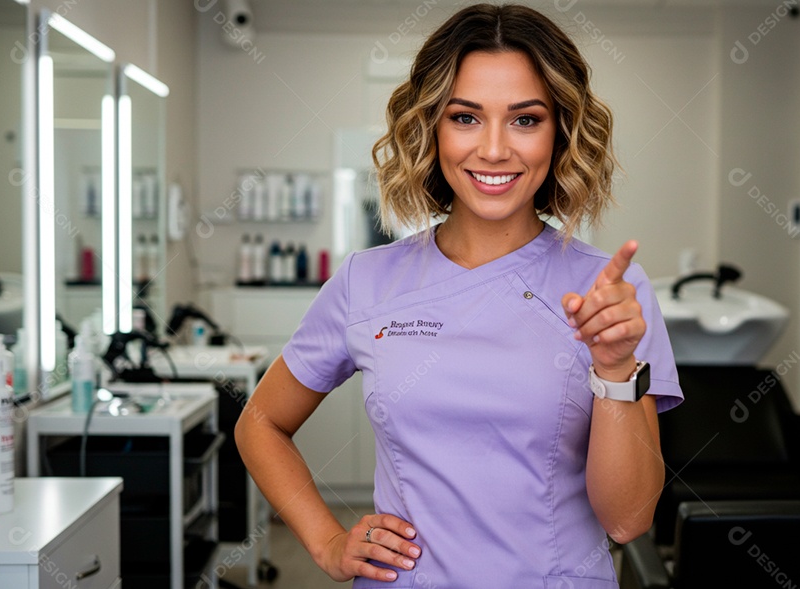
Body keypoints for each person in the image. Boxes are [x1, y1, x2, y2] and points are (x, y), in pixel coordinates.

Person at [235, 4, 683, 587]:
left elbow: (627, 520)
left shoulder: (612, 294)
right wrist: (326, 542)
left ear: (561, 132)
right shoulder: (366, 281)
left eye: (525, 120)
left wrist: (616, 367)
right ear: (430, 129)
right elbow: (261, 422)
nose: (494, 149)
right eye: (465, 117)